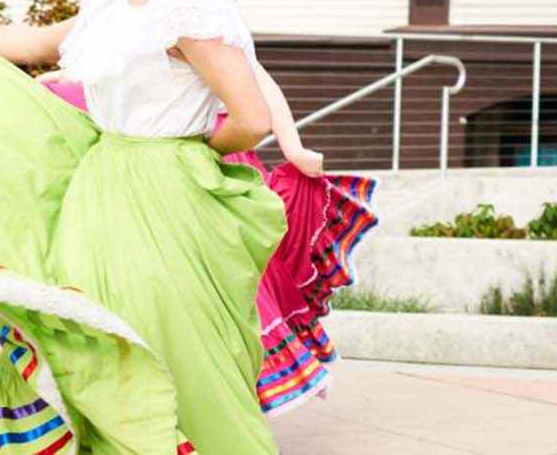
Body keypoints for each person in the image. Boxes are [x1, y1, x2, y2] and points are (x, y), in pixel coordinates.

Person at [0, 0, 285, 453]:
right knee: (90, 348)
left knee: (170, 354)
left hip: (163, 197)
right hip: (100, 189)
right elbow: (36, 41)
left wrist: (190, 150)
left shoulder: (190, 8)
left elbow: (251, 118)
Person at [37, 63, 379, 417]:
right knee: (176, 287)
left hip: (218, 161)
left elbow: (259, 82)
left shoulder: (206, 21)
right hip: (163, 167)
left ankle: (230, 412)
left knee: (231, 286)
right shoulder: (139, 24)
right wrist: (77, 75)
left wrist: (293, 149)